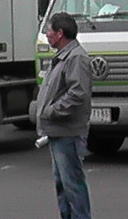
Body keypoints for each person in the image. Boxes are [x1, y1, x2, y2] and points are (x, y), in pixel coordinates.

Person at [33, 13, 93, 219]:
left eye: (49, 30)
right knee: (63, 185)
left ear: (60, 33)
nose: (46, 34)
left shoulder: (76, 57)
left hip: (68, 132)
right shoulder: (63, 56)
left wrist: (51, 111)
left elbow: (78, 93)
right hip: (57, 130)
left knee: (72, 184)